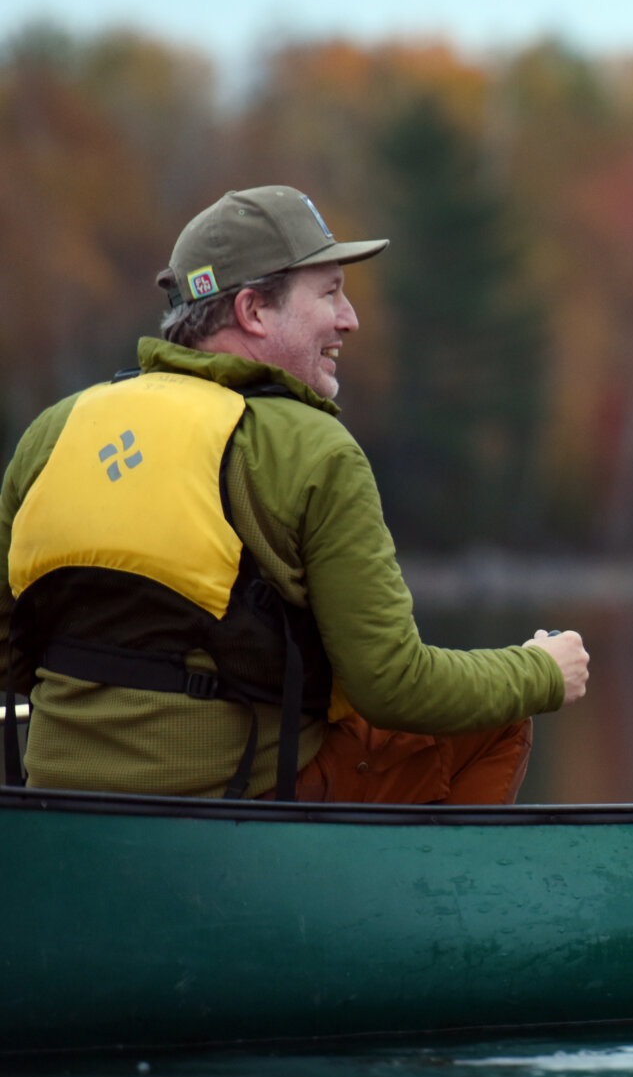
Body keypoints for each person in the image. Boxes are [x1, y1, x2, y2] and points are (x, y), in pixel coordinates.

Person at [0, 185, 588, 803]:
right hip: (233, 816)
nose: (350, 318)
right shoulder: (313, 447)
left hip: (57, 802)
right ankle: (424, 901)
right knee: (496, 712)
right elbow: (394, 684)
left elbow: (11, 658)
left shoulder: (55, 431)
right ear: (254, 311)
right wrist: (542, 671)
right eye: (329, 293)